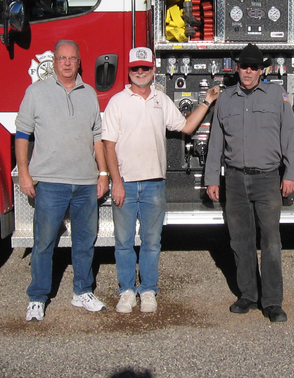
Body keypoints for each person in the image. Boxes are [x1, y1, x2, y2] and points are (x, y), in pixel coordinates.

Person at [103, 47, 221, 313]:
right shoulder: (117, 102)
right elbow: (108, 145)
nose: (141, 72)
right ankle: (125, 291)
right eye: (136, 68)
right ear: (129, 71)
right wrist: (116, 182)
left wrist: (206, 101)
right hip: (126, 183)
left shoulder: (162, 100)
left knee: (152, 242)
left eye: (145, 68)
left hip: (155, 183)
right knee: (123, 242)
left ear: (153, 70)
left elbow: (187, 127)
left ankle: (148, 291)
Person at [204, 43, 294, 323]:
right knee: (240, 241)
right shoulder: (225, 99)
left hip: (267, 179)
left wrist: (291, 172)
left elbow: (289, 135)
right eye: (244, 66)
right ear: (237, 68)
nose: (248, 71)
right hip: (234, 179)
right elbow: (216, 142)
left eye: (254, 67)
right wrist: (212, 178)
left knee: (271, 241)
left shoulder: (276, 96)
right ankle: (248, 294)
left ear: (263, 70)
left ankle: (272, 301)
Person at [16, 39, 110, 322]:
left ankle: (82, 291)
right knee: (44, 242)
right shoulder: (36, 92)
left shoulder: (89, 93)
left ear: (79, 62)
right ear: (53, 61)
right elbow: (22, 135)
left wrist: (102, 173)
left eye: (72, 58)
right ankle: (37, 297)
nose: (67, 63)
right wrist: (24, 172)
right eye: (62, 58)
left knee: (85, 240)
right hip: (50, 181)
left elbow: (97, 138)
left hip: (85, 181)